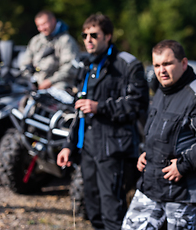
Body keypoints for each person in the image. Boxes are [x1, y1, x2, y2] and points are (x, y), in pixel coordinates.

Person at [56, 13, 149, 230]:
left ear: (107, 36)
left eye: (94, 35)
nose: (88, 39)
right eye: (85, 35)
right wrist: (69, 146)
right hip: (88, 148)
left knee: (112, 212)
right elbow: (79, 110)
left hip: (114, 149)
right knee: (92, 209)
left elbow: (138, 104)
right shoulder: (85, 64)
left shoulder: (127, 64)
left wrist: (100, 106)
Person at [122, 40, 196, 230]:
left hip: (185, 192)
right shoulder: (162, 89)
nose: (161, 70)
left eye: (167, 64)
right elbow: (158, 132)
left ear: (184, 63)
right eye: (156, 65)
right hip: (151, 185)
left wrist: (183, 165)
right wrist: (146, 153)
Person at [19, 10, 79, 90]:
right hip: (36, 84)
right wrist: (30, 78)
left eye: (44, 24)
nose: (42, 28)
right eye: (39, 26)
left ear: (53, 20)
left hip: (58, 84)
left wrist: (49, 82)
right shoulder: (36, 40)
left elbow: (69, 68)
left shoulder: (66, 40)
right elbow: (25, 63)